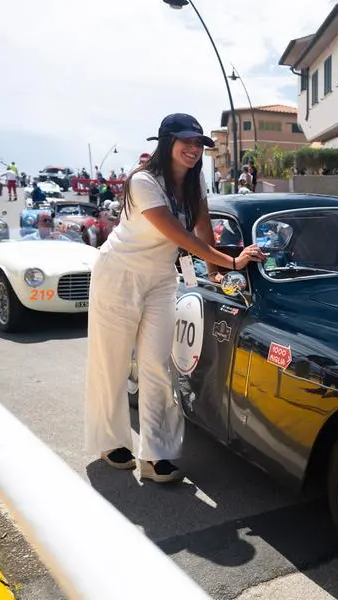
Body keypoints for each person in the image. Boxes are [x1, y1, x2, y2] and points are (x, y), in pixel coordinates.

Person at [84, 113, 266, 484]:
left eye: (199, 143)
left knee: (156, 365)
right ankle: (111, 440)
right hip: (119, 276)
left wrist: (217, 272)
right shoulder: (143, 181)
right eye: (187, 142)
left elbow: (202, 230)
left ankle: (156, 455)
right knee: (113, 362)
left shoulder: (194, 185)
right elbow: (180, 236)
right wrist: (231, 261)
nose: (195, 149)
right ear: (166, 143)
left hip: (162, 279)